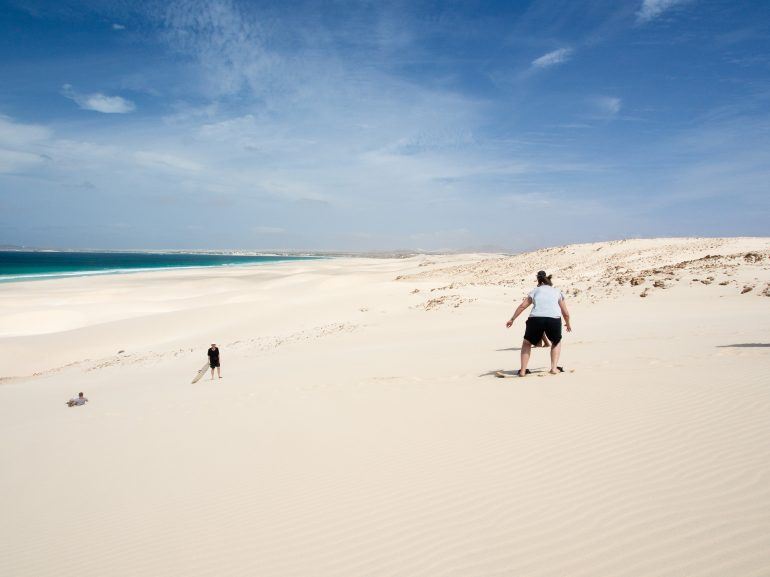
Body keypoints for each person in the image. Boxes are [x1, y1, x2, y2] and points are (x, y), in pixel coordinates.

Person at [505, 270, 572, 376]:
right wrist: (568, 324)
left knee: (527, 343)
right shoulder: (557, 292)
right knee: (556, 342)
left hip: (535, 319)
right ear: (549, 282)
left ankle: (522, 371)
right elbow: (566, 313)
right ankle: (554, 368)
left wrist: (512, 319)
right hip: (553, 319)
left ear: (539, 282)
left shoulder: (535, 291)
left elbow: (523, 306)